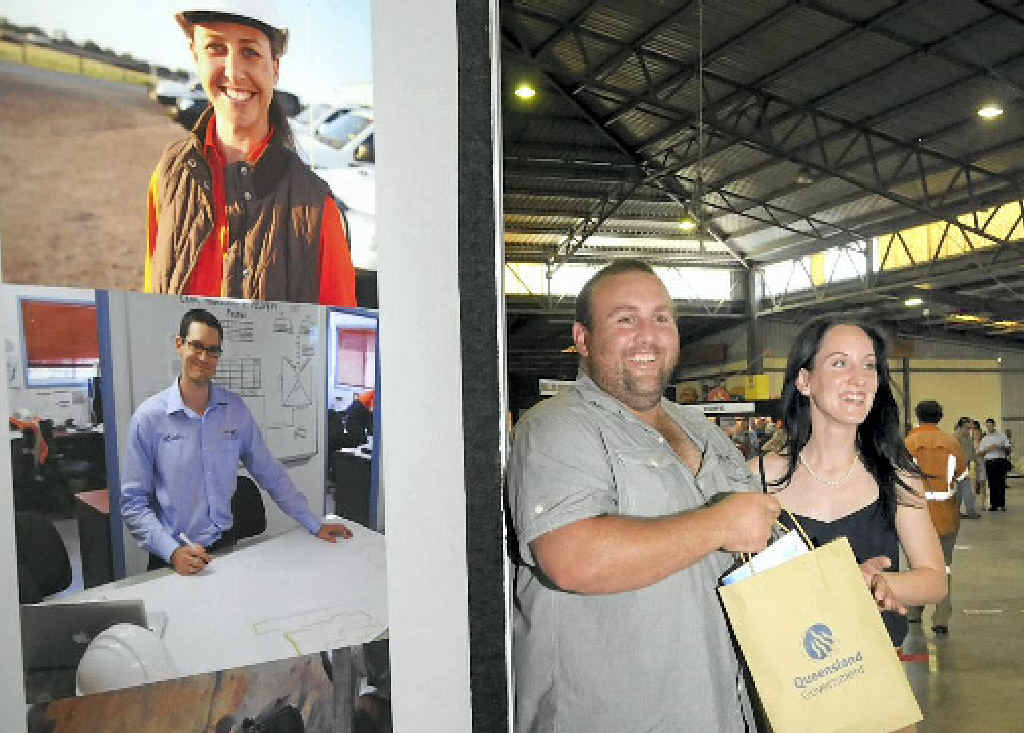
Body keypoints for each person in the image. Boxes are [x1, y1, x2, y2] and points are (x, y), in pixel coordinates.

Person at [508, 259, 781, 733]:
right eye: (625, 319)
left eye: (662, 318)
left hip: (716, 707)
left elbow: (749, 541)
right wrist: (719, 523)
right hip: (610, 715)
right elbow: (572, 558)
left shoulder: (703, 431)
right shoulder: (556, 427)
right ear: (583, 339)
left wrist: (828, 582)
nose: (648, 335)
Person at [750, 318, 946, 655]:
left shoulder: (896, 476)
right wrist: (831, 582)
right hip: (787, 670)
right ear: (804, 380)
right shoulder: (760, 478)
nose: (859, 379)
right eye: (840, 363)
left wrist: (877, 584)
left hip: (872, 674)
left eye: (869, 366)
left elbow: (934, 580)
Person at [145, 1, 357, 306]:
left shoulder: (318, 212)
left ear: (275, 68)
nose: (233, 72)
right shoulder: (168, 173)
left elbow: (337, 345)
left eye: (250, 52)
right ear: (195, 55)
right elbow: (151, 294)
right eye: (215, 48)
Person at [121, 309, 351, 575]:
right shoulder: (149, 418)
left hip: (225, 550)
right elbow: (133, 502)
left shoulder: (235, 410)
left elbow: (270, 473)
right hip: (173, 557)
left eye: (213, 350)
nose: (204, 357)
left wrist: (314, 523)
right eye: (196, 346)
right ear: (179, 344)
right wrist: (172, 552)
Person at [904, 401, 967, 635]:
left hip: (916, 519)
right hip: (946, 517)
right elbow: (962, 480)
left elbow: (900, 481)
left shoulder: (909, 443)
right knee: (944, 567)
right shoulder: (952, 443)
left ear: (918, 416)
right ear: (940, 417)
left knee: (916, 565)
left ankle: (913, 611)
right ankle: (941, 618)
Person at [979, 418, 1012, 511]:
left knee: (1001, 483)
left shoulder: (1002, 436)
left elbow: (1008, 448)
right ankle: (993, 505)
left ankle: (1001, 504)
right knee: (992, 484)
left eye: (991, 425)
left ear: (994, 425)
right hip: (989, 462)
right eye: (987, 425)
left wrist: (1000, 446)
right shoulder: (984, 438)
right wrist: (988, 449)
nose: (989, 427)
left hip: (1000, 461)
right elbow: (981, 451)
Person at [954, 417, 980, 519]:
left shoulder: (968, 437)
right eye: (967, 428)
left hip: (966, 465)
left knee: (960, 491)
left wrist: (976, 460)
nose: (969, 430)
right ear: (960, 427)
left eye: (970, 428)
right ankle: (971, 512)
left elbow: (972, 450)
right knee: (966, 489)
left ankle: (957, 512)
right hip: (957, 467)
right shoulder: (955, 437)